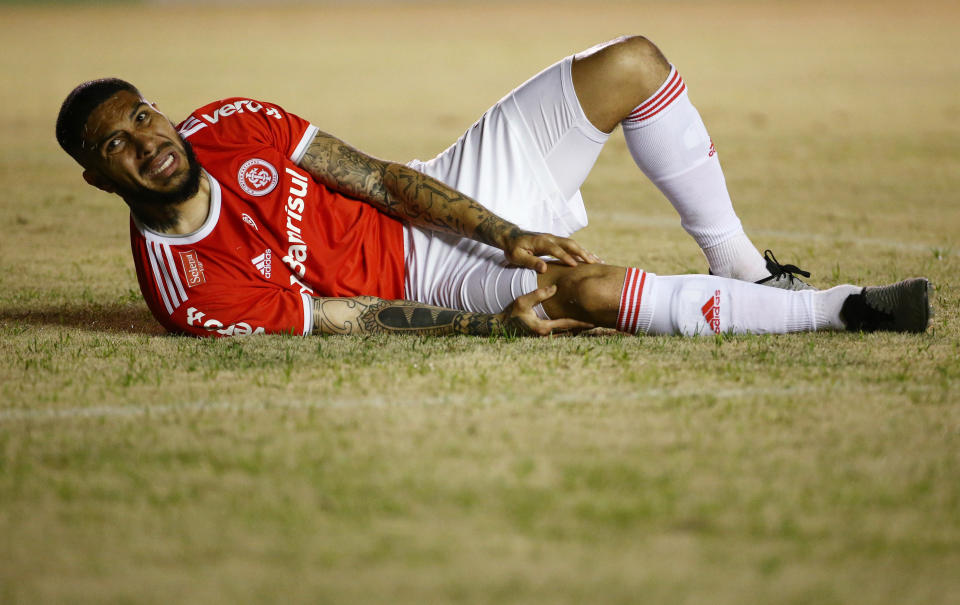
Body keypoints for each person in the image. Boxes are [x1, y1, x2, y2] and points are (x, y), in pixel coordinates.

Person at [55, 36, 930, 338]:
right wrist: (486, 321)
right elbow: (346, 319)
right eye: (116, 145)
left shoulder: (232, 121)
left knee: (631, 64)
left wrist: (503, 228)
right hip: (422, 284)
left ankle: (742, 268)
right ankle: (847, 310)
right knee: (578, 292)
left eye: (143, 117)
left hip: (448, 190)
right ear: (99, 179)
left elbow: (378, 178)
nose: (147, 142)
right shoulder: (190, 291)